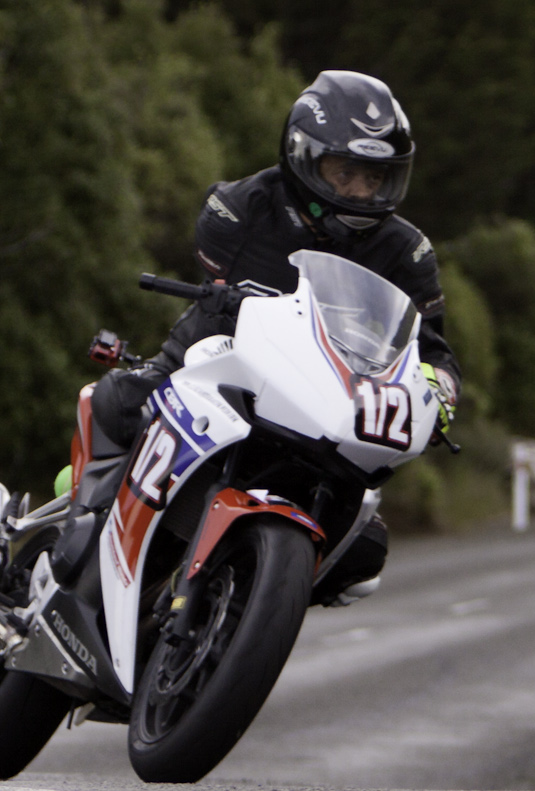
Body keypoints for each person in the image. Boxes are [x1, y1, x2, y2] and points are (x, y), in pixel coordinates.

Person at [92, 70, 461, 606]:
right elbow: (216, 294)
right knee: (123, 404)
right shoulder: (241, 207)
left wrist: (440, 388)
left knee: (362, 554)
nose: (361, 190)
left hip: (323, 404)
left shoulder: (408, 253)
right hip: (220, 360)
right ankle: (73, 524)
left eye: (375, 177)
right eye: (346, 172)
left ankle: (243, 610)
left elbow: (432, 347)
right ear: (304, 155)